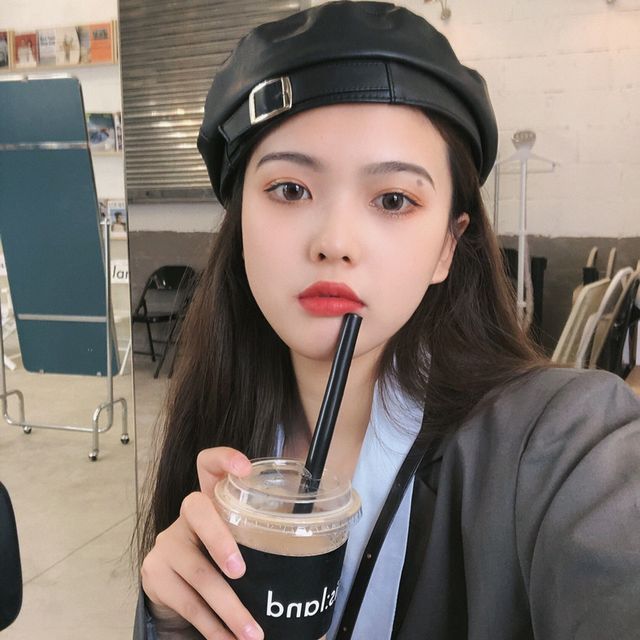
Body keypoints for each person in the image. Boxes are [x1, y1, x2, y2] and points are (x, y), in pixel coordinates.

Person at [134, 2, 640, 639]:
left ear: (448, 246)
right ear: (239, 225)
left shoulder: (563, 442)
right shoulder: (219, 431)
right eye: (290, 189)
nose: (335, 242)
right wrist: (170, 622)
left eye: (394, 199)